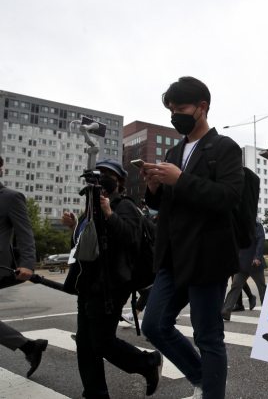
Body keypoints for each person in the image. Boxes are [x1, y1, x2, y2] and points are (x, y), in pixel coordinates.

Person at [140, 76, 245, 399]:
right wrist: (154, 189)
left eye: (181, 108)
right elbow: (166, 204)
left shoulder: (224, 147)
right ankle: (204, 378)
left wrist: (180, 179)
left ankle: (212, 392)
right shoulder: (173, 151)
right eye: (171, 109)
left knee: (208, 336)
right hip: (173, 254)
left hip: (207, 254)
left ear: (202, 107)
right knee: (154, 324)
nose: (175, 115)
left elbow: (228, 196)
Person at [61, 158, 163, 398]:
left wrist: (109, 214)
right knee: (85, 345)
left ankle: (147, 362)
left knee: (102, 342)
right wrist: (75, 227)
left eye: (108, 174)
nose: (102, 178)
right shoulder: (91, 207)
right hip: (87, 283)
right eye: (99, 174)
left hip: (111, 285)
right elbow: (82, 246)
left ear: (119, 180)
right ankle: (95, 393)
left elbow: (131, 238)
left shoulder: (123, 205)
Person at [0, 155, 48, 378]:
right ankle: (29, 346)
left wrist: (28, 263)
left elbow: (25, 232)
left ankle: (29, 346)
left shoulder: (10, 197)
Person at [221, 221, 267, 320]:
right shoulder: (237, 225)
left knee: (261, 287)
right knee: (235, 286)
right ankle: (226, 311)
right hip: (241, 263)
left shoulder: (255, 225)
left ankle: (267, 310)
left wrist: (258, 257)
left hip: (255, 263)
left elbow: (261, 240)